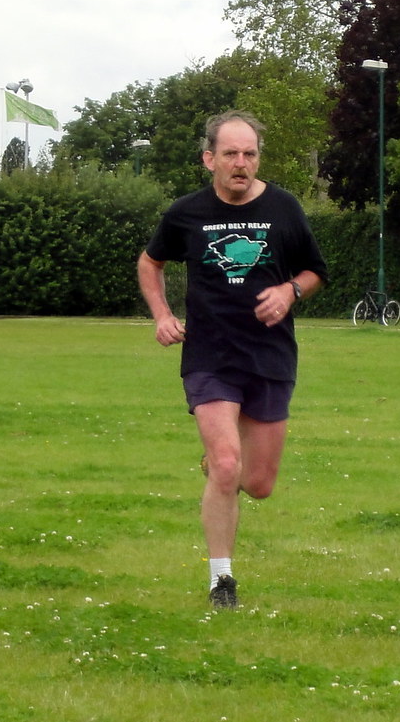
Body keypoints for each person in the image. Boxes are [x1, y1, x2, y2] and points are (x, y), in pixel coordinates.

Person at [137, 110, 327, 609]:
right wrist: (161, 315)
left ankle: (221, 466)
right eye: (230, 154)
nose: (240, 163)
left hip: (269, 355)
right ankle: (222, 581)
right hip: (210, 355)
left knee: (258, 484)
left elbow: (316, 271)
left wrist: (290, 291)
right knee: (227, 465)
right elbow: (150, 262)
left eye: (249, 154)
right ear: (209, 159)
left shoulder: (285, 209)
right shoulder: (186, 213)